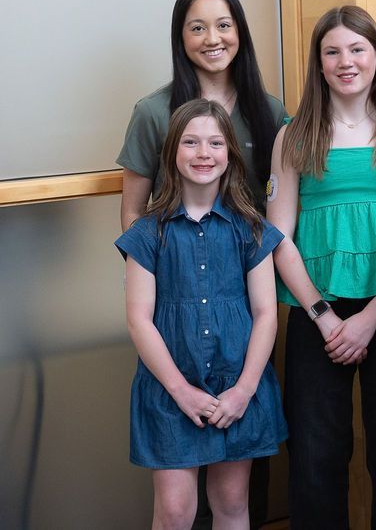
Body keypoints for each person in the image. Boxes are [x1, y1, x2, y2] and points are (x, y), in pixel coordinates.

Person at [268, 5, 376, 528]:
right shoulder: (293, 137)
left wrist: (372, 315)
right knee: (316, 453)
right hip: (318, 314)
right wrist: (324, 316)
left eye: (357, 49)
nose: (346, 61)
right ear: (318, 64)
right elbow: (279, 237)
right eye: (332, 51)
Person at [115, 99, 287, 530]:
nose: (203, 153)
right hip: (171, 389)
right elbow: (139, 319)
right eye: (190, 142)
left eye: (214, 142)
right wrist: (180, 390)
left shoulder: (251, 228)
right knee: (175, 511)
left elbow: (267, 314)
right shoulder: (147, 232)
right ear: (172, 152)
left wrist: (245, 390)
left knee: (231, 502)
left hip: (237, 384)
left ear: (230, 153)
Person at [117, 0, 287, 231]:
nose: (212, 39)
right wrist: (145, 267)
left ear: (239, 31)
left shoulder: (271, 112)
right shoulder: (152, 113)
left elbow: (283, 207)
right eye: (197, 29)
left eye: (224, 25)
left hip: (256, 266)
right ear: (180, 37)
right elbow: (133, 210)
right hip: (176, 266)